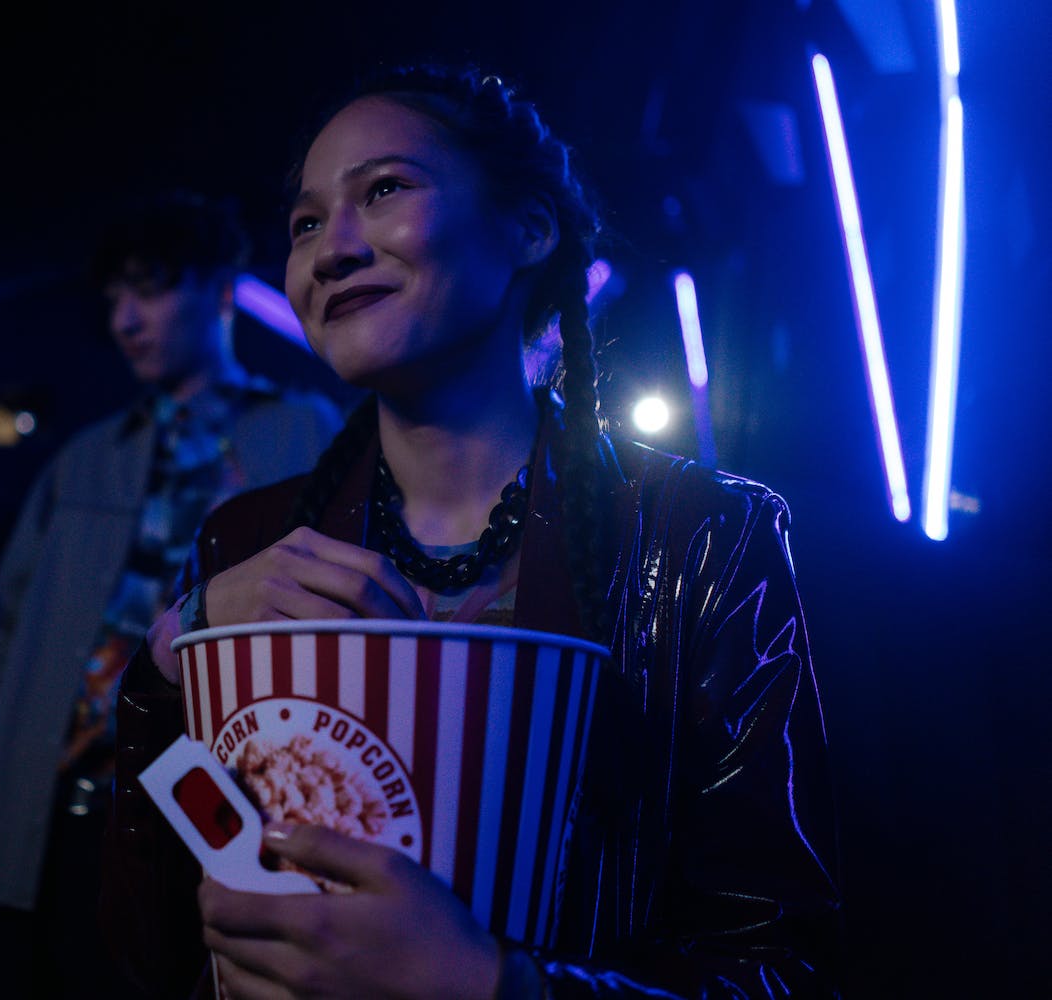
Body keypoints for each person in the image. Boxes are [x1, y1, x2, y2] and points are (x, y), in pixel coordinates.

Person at [100, 65, 843, 998]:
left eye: (383, 190)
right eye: (304, 223)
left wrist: (488, 983)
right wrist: (175, 659)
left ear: (528, 229)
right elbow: (160, 935)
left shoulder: (704, 539)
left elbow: (782, 967)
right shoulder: (248, 539)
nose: (330, 250)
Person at [0, 190, 343, 998]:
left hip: (224, 814)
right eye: (115, 298)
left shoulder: (308, 433)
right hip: (58, 813)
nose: (126, 319)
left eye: (151, 289)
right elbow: (8, 652)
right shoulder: (85, 459)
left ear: (218, 293)